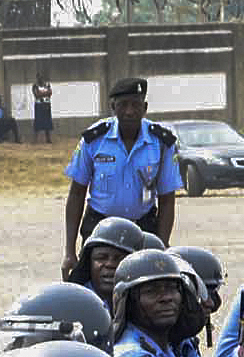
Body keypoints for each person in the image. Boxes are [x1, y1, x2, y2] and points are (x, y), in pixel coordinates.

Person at [62, 78, 181, 274]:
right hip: (99, 228)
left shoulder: (162, 142)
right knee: (90, 290)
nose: (129, 111)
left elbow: (167, 200)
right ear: (112, 107)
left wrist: (161, 246)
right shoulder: (94, 139)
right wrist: (69, 252)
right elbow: (76, 194)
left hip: (143, 227)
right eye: (123, 105)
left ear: (145, 108)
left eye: (135, 105)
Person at [110, 249, 208, 357]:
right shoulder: (134, 355)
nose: (166, 298)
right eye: (151, 291)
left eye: (171, 288)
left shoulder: (161, 345)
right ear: (129, 302)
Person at [31, 76, 54, 143]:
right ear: (38, 79)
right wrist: (45, 93)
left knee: (47, 122)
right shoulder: (35, 86)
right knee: (38, 121)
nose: (41, 80)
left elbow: (50, 93)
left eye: (42, 78)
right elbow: (36, 95)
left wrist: (41, 93)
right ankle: (35, 139)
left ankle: (48, 139)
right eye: (39, 78)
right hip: (39, 105)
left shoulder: (47, 85)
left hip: (47, 105)